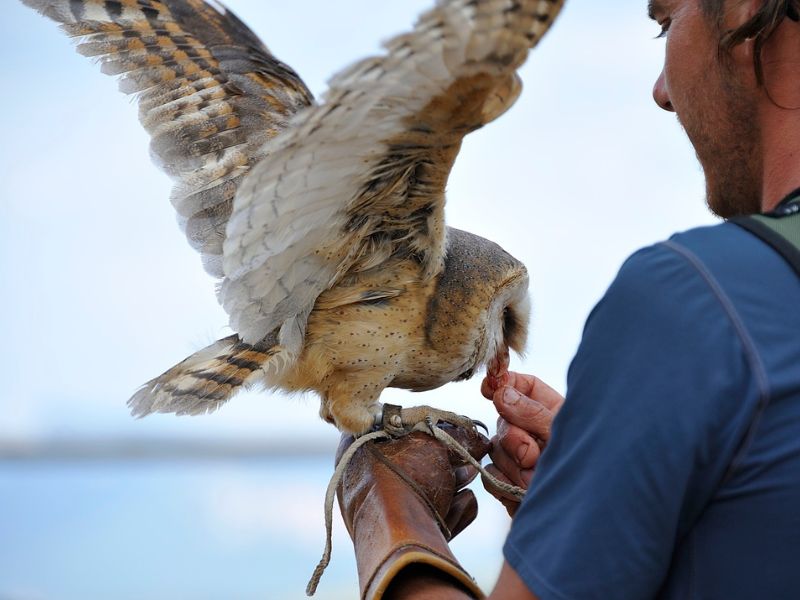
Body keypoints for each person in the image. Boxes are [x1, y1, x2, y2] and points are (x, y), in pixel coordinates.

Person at [335, 0, 800, 598]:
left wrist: (389, 510)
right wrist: (594, 509)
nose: (661, 92)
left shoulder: (700, 300)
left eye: (665, 21)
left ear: (744, 10)